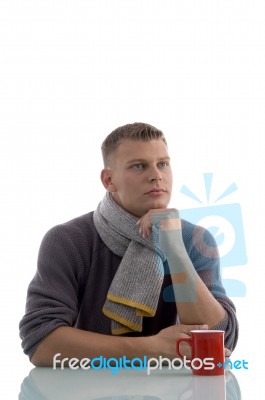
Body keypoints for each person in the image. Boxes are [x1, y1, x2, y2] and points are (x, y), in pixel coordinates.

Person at [19, 122, 238, 366]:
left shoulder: (196, 240)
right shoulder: (68, 240)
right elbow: (41, 342)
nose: (156, 175)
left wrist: (176, 252)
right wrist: (150, 349)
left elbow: (222, 340)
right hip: (90, 388)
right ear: (109, 180)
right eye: (139, 166)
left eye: (163, 164)